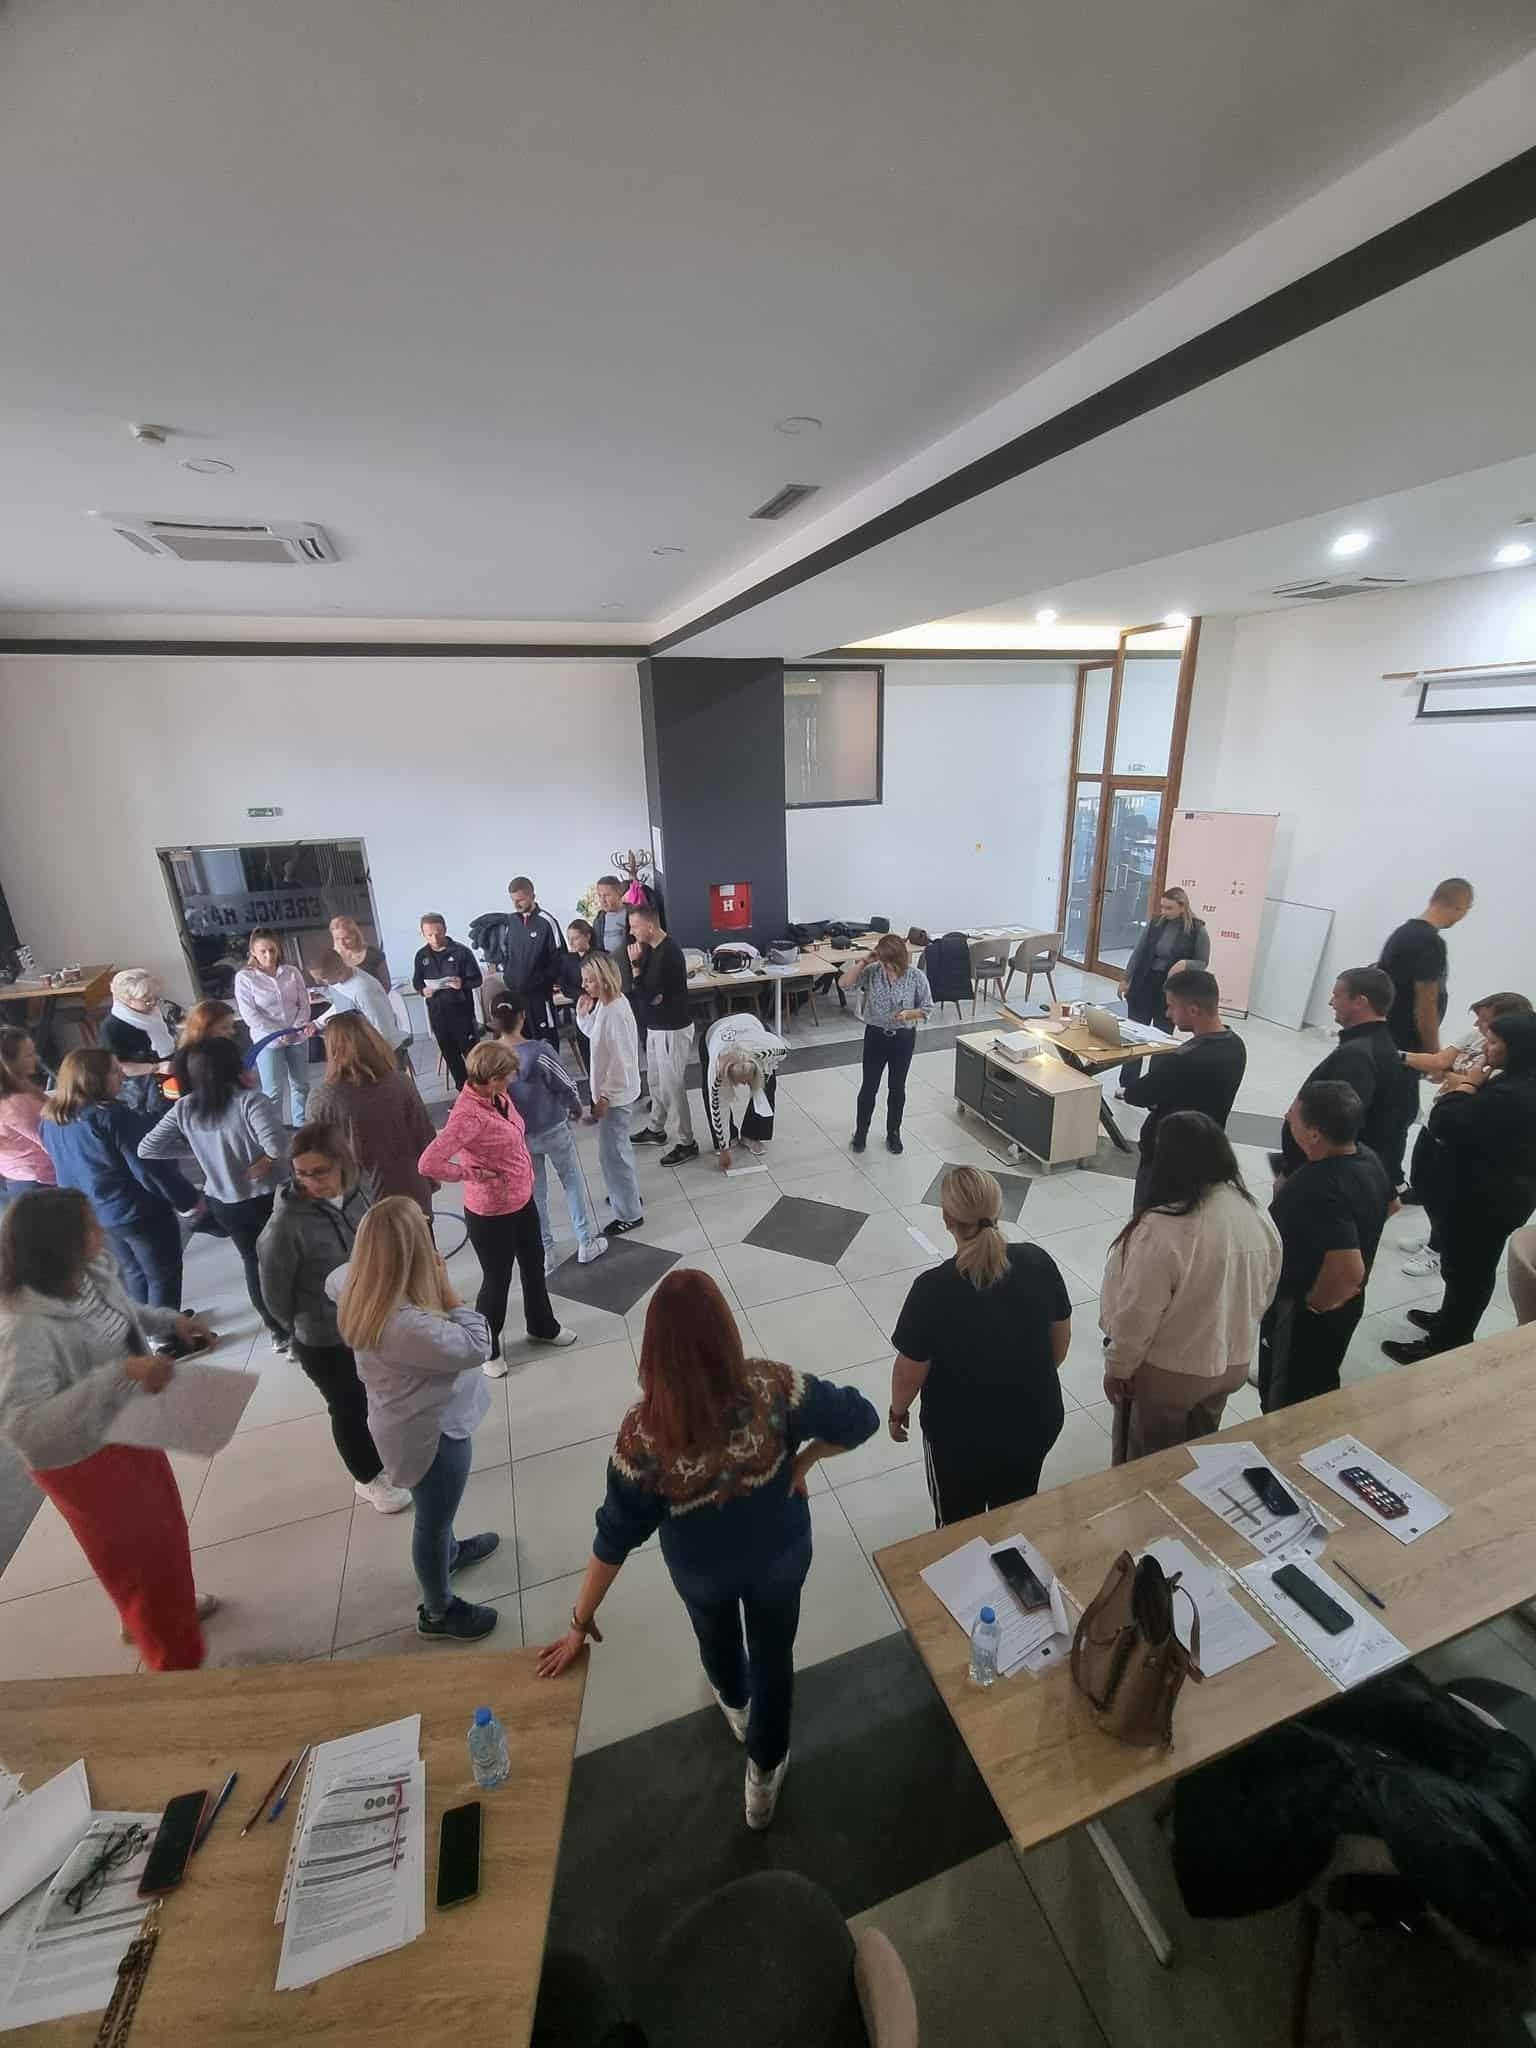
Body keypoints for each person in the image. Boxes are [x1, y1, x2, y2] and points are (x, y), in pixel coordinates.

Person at [536, 1270, 879, 1831]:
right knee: (775, 1658)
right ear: (726, 1333)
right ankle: (763, 1777)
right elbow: (861, 1418)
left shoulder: (643, 1434)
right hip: (780, 1556)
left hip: (701, 1572)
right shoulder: (774, 1387)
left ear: (653, 1352)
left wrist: (579, 1622)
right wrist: (804, 1460)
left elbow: (614, 1536)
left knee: (714, 1635)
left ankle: (736, 1706)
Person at [0, 1188, 217, 1669]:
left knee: (158, 1531)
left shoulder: (88, 1271)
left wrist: (170, 1323)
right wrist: (119, 1375)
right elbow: (24, 1426)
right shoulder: (23, 1327)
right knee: (142, 1550)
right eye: (89, 1228)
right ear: (59, 1246)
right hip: (79, 1459)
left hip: (126, 1422)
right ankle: (176, 1661)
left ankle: (156, 1612)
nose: (102, 1232)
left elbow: (121, 1315)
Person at [330, 1198, 502, 1641]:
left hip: (404, 1420)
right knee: (433, 1521)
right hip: (431, 1434)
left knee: (436, 1512)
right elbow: (478, 1345)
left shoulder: (357, 1284)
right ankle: (438, 1610)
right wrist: (447, 1291)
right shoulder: (403, 1323)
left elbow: (333, 1279)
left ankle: (450, 1554)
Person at [888, 1167, 1071, 1521]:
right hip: (1034, 1423)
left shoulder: (932, 1289)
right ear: (998, 1211)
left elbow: (908, 1374)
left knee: (959, 1530)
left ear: (947, 1219)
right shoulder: (1038, 1262)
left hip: (960, 1442)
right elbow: (1060, 1344)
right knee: (1013, 1516)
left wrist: (898, 1413)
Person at [1101, 1112, 1281, 1457]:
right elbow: (1266, 1290)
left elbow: (1137, 1314)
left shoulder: (1162, 1227)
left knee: (1149, 1460)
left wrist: (1118, 1367)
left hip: (1171, 1372)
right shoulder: (1255, 1211)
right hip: (1232, 1360)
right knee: (1201, 1449)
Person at [256, 1124, 409, 1513]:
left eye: (320, 1172)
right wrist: (302, 1327)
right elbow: (274, 1295)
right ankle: (368, 1478)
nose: (311, 1182)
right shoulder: (285, 1227)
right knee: (347, 1406)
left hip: (371, 1320)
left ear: (343, 1163)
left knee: (379, 1394)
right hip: (324, 1337)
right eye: (302, 1173)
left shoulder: (361, 1188)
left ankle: (387, 1453)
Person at [1381, 1011, 1536, 1365]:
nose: (1486, 1047)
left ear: (1517, 1048)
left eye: (1494, 1042)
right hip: (1494, 1195)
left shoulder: (1513, 1094)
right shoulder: (1519, 1081)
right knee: (1465, 1269)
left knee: (1469, 1273)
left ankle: (1446, 1342)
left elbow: (1446, 1121)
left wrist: (1467, 1084)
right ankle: (1449, 1321)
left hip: (1486, 1202)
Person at [418, 1040, 574, 1372]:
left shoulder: (498, 1097)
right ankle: (487, 1349)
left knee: (533, 1266)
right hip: (491, 1213)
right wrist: (470, 1173)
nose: (513, 1079)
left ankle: (542, 1326)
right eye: (508, 1075)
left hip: (522, 1198)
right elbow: (428, 1162)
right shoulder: (467, 1116)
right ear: (491, 1078)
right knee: (497, 1281)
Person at [139, 1037, 291, 1352]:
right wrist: (266, 1160)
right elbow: (278, 1145)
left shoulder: (185, 1107)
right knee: (286, 1260)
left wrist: (198, 1151)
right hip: (267, 1198)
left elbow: (148, 1147)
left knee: (252, 1262)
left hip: (224, 1202)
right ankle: (296, 1325)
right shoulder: (250, 1101)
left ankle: (277, 1332)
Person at [1258, 1080, 1392, 1411]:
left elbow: (1348, 1271)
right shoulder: (1368, 1157)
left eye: (1294, 1113)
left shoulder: (1316, 1186)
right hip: (1348, 1306)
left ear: (1314, 1134)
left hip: (1304, 1314)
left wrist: (1315, 1305)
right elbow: (1392, 1204)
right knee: (1320, 1378)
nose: (1287, 1115)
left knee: (1285, 1400)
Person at [40, 1050, 197, 1315]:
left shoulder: (51, 1119)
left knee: (135, 1271)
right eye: (114, 1071)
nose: (122, 1075)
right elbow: (148, 1169)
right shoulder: (111, 1116)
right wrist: (187, 1200)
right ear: (94, 1079)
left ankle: (147, 1327)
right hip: (137, 1210)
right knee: (162, 1273)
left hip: (97, 1212)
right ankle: (168, 1332)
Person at [1400, 992, 1532, 1278]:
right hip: (1439, 1119)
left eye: (1485, 1021)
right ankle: (1438, 1236)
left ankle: (1437, 1248)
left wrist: (1455, 1078)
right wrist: (1402, 1057)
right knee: (1423, 1184)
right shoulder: (1478, 1039)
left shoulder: (1513, 1068)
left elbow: (1472, 1083)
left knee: (1445, 1199)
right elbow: (1440, 1063)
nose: (1478, 1027)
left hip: (1459, 1136)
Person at [488, 1000, 606, 1270]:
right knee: (571, 1182)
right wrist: (577, 1111)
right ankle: (585, 1242)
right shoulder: (540, 1051)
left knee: (535, 1193)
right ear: (522, 1016)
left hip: (520, 1136)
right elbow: (565, 1085)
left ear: (493, 1021)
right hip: (553, 1127)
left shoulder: (491, 1057)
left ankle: (545, 1251)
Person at [1377, 877, 1475, 1190]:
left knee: (1387, 1108)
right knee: (1399, 1113)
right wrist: (1435, 1055)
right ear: (1459, 906)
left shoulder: (1404, 933)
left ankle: (1379, 1174)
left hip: (1387, 1035)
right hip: (1404, 1042)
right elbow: (1425, 1003)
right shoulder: (1430, 942)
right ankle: (1389, 1181)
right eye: (1466, 910)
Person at [1121, 968, 1246, 1206]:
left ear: (1193, 1010)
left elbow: (1137, 1094)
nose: (1168, 1014)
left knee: (1151, 1216)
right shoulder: (1237, 1046)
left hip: (1167, 1155)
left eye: (1171, 1006)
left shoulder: (1185, 1059)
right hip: (1207, 1150)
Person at [1276, 967, 1408, 1180]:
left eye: (1337, 996)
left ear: (1360, 1001)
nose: (1331, 1003)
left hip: (1321, 1175)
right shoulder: (1380, 1045)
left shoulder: (1356, 1056)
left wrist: (1293, 1172)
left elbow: (1334, 1130)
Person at [307, 1012, 440, 1216]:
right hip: (411, 1191)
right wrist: (431, 1179)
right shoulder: (401, 1083)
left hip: (362, 1202)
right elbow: (426, 1138)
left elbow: (317, 1161)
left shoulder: (322, 1099)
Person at [839, 934, 933, 1156]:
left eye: (891, 963)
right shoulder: (873, 972)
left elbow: (927, 1009)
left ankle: (893, 1133)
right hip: (876, 1036)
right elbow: (844, 984)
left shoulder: (915, 977)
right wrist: (864, 961)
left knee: (897, 1087)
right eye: (884, 962)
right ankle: (861, 1133)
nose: (888, 967)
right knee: (869, 1087)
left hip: (903, 1038)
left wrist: (908, 1014)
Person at [576, 951, 645, 1236]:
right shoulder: (608, 1004)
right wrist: (583, 1016)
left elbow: (622, 1060)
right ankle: (626, 1195)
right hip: (614, 1092)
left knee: (613, 1155)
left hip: (615, 1095)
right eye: (584, 980)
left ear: (604, 980)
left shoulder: (614, 1011)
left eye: (589, 980)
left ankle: (630, 1212)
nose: (584, 985)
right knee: (617, 1150)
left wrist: (605, 1096)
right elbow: (597, 1036)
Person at [1116, 887, 1210, 1088]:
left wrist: (1185, 963)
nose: (1164, 912)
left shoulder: (1197, 930)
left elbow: (1203, 962)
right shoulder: (1155, 923)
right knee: (1134, 1036)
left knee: (1161, 1039)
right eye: (1162, 907)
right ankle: (1128, 1084)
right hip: (1144, 984)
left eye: (1169, 908)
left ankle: (1154, 1086)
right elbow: (1138, 953)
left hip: (1171, 991)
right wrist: (1126, 979)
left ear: (1182, 906)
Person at [628, 904, 698, 1167]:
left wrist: (636, 969)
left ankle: (687, 1142)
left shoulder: (669, 953)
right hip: (656, 1026)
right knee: (656, 1080)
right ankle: (656, 1129)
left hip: (672, 1028)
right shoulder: (650, 949)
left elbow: (649, 994)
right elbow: (646, 994)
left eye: (635, 926)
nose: (632, 932)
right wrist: (643, 984)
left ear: (650, 926)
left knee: (672, 1085)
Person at [234, 928, 315, 1126]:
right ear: (253, 952)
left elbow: (304, 1004)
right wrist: (278, 1034)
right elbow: (250, 1015)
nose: (268, 956)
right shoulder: (245, 978)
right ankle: (275, 1132)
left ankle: (301, 1127)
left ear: (278, 949)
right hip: (268, 1041)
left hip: (297, 1037)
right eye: (263, 951)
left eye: (272, 950)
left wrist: (295, 1029)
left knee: (301, 1084)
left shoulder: (292, 972)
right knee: (273, 1091)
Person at [701, 1012, 788, 1172]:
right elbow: (718, 1108)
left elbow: (783, 1052)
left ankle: (752, 1133)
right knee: (711, 1094)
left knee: (767, 1085)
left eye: (748, 1080)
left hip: (752, 1027)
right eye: (740, 1081)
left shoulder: (771, 1049)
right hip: (715, 1032)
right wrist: (724, 1147)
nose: (744, 1084)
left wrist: (766, 1070)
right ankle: (730, 1138)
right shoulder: (717, 1071)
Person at [411, 913, 481, 1091]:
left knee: (474, 1058)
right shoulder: (421, 955)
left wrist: (462, 983)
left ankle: (483, 1092)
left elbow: (477, 979)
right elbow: (417, 982)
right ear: (423, 934)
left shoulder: (461, 952)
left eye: (438, 933)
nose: (435, 939)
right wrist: (422, 990)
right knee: (451, 1057)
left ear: (445, 930)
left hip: (462, 1014)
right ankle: (463, 1092)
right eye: (429, 935)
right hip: (438, 1015)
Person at [502, 877, 567, 1047]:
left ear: (532, 896)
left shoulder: (546, 922)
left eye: (521, 899)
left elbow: (559, 957)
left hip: (539, 997)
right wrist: (508, 976)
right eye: (513, 900)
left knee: (546, 1043)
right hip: (517, 997)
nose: (516, 904)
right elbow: (506, 952)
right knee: (522, 1045)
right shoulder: (511, 922)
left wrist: (542, 981)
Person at [101, 967, 177, 1114]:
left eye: (155, 998)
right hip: (141, 1086)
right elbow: (117, 1067)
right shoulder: (112, 1027)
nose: (153, 1003)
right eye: (146, 1000)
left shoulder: (152, 1012)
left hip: (166, 1070)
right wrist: (156, 1067)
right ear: (126, 1000)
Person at [313, 947, 409, 1059]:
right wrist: (317, 1023)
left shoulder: (363, 990)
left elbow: (381, 1028)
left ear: (337, 970)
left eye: (322, 978)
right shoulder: (336, 983)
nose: (317, 982)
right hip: (363, 1048)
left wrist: (375, 1058)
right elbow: (341, 1005)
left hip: (384, 1050)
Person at [0, 1028, 54, 1203]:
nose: (36, 1058)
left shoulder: (18, 1088)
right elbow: (51, 1142)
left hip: (16, 1175)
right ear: (9, 1064)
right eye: (28, 1055)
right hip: (39, 1181)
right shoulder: (17, 1103)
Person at [329, 915, 391, 993]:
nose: (342, 943)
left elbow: (386, 986)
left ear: (355, 935)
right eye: (337, 939)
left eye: (346, 938)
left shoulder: (374, 955)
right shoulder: (333, 958)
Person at [591, 877, 632, 962]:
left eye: (607, 895)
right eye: (600, 895)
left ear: (619, 894)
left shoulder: (632, 914)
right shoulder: (599, 921)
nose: (602, 900)